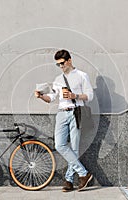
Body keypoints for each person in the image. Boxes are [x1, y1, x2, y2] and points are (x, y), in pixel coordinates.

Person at [35, 49, 93, 192]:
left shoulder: (81, 76)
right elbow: (52, 98)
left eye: (62, 63)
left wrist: (75, 95)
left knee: (74, 147)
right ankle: (83, 173)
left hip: (75, 112)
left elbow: (89, 96)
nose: (61, 66)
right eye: (58, 65)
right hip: (61, 113)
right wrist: (41, 96)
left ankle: (68, 180)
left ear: (69, 60)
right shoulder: (58, 79)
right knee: (60, 145)